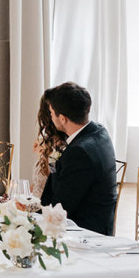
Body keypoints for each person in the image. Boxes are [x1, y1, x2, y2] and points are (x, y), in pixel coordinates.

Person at [40, 82, 117, 235]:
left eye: (51, 113)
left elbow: (61, 206)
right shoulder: (99, 131)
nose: (50, 117)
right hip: (100, 222)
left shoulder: (79, 152)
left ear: (62, 118)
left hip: (84, 232)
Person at [29, 89, 66, 199]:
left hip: (46, 209)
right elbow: (38, 184)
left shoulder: (61, 148)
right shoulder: (46, 144)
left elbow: (52, 183)